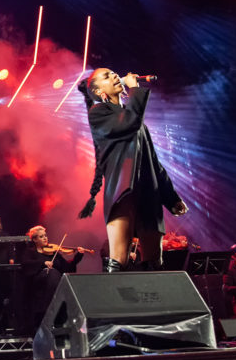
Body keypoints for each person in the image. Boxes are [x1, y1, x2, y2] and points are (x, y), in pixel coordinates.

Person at [77, 69, 187, 272]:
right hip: (124, 190)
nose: (114, 76)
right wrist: (135, 89)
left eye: (113, 73)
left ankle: (153, 291)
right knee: (119, 257)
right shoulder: (98, 113)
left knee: (154, 259)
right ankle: (113, 292)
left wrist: (171, 198)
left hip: (149, 192)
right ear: (100, 92)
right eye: (107, 76)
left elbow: (153, 162)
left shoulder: (136, 120)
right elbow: (128, 123)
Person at [19, 225, 86, 332]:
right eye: (41, 236)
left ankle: (53, 314)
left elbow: (67, 268)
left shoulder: (53, 252)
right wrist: (43, 263)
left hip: (54, 284)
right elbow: (26, 265)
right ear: (35, 239)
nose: (45, 238)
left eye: (45, 235)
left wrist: (78, 256)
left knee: (55, 274)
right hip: (39, 285)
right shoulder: (30, 252)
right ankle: (51, 312)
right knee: (53, 273)